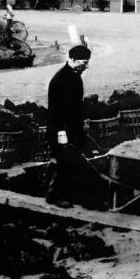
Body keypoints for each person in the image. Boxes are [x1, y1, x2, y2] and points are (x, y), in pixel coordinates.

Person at [46, 45, 108, 209]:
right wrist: (60, 133)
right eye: (83, 62)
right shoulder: (59, 80)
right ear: (72, 60)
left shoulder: (76, 77)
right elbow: (55, 109)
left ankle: (77, 196)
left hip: (74, 128)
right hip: (61, 130)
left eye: (87, 62)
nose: (86, 66)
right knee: (63, 163)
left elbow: (75, 106)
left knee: (75, 164)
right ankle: (54, 196)